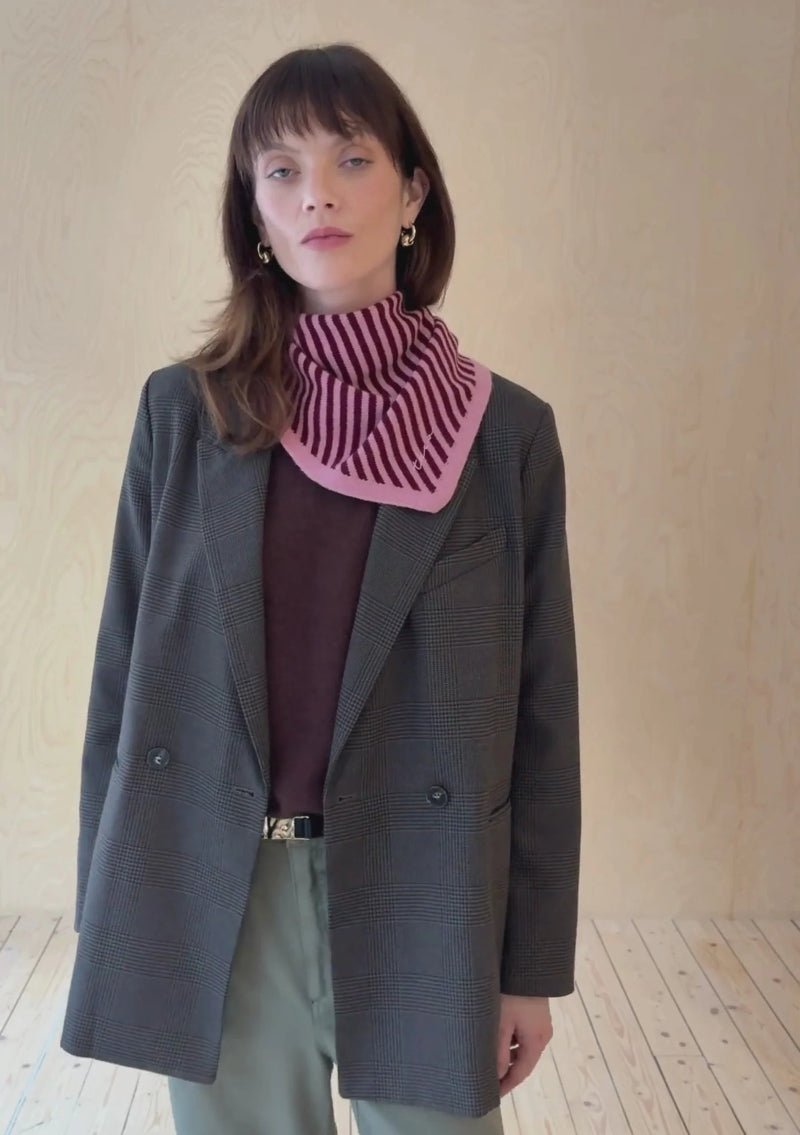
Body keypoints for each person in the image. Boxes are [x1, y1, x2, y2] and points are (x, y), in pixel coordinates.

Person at [59, 42, 581, 1135]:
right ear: (252, 210)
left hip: (425, 888)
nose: (317, 195)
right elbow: (123, 688)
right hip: (215, 888)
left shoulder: (502, 436)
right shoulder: (184, 416)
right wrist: (122, 915)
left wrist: (526, 964)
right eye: (280, 170)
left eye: (351, 158)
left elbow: (541, 719)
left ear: (411, 192)